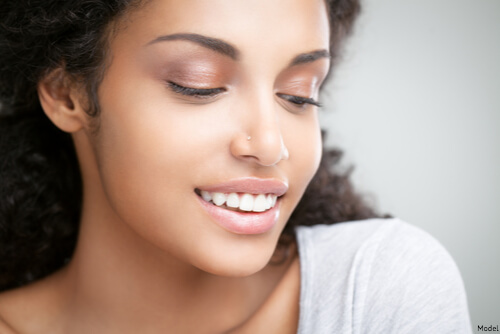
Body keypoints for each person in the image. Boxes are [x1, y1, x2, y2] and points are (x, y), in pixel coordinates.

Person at [0, 0, 471, 333]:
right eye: (198, 83)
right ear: (68, 93)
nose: (270, 145)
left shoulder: (377, 290)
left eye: (298, 94)